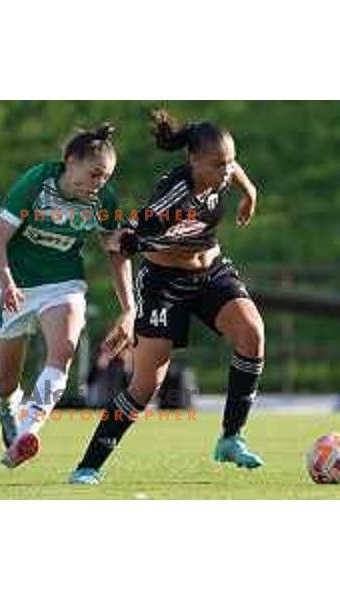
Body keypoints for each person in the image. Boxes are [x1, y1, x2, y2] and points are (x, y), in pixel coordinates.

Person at [69, 110, 266, 485]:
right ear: (193, 161)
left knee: (252, 333)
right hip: (163, 283)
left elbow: (233, 167)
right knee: (145, 385)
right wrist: (128, 311)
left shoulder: (219, 173)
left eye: (229, 163)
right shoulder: (170, 201)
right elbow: (118, 248)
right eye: (217, 164)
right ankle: (88, 465)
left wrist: (249, 191)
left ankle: (230, 437)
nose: (225, 172)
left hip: (211, 272)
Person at [0, 124, 134, 469]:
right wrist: (7, 283)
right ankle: (8, 408)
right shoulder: (37, 182)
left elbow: (115, 253)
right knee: (5, 381)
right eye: (95, 174)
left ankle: (27, 432)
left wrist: (129, 310)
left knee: (63, 352)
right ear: (70, 162)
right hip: (15, 284)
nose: (100, 183)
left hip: (62, 283)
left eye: (106, 176)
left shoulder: (103, 200)